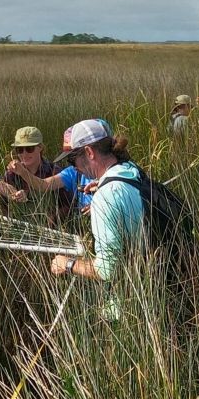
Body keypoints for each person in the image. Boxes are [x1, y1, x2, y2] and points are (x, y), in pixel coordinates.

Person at [48, 119, 143, 285]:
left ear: (89, 152)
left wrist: (67, 264)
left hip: (131, 289)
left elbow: (106, 270)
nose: (73, 167)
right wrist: (102, 183)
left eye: (71, 159)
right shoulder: (130, 169)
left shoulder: (104, 198)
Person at [3, 125, 90, 222]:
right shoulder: (12, 173)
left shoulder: (54, 171)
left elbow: (67, 205)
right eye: (19, 149)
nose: (24, 154)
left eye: (29, 149)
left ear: (40, 147)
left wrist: (50, 221)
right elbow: (4, 204)